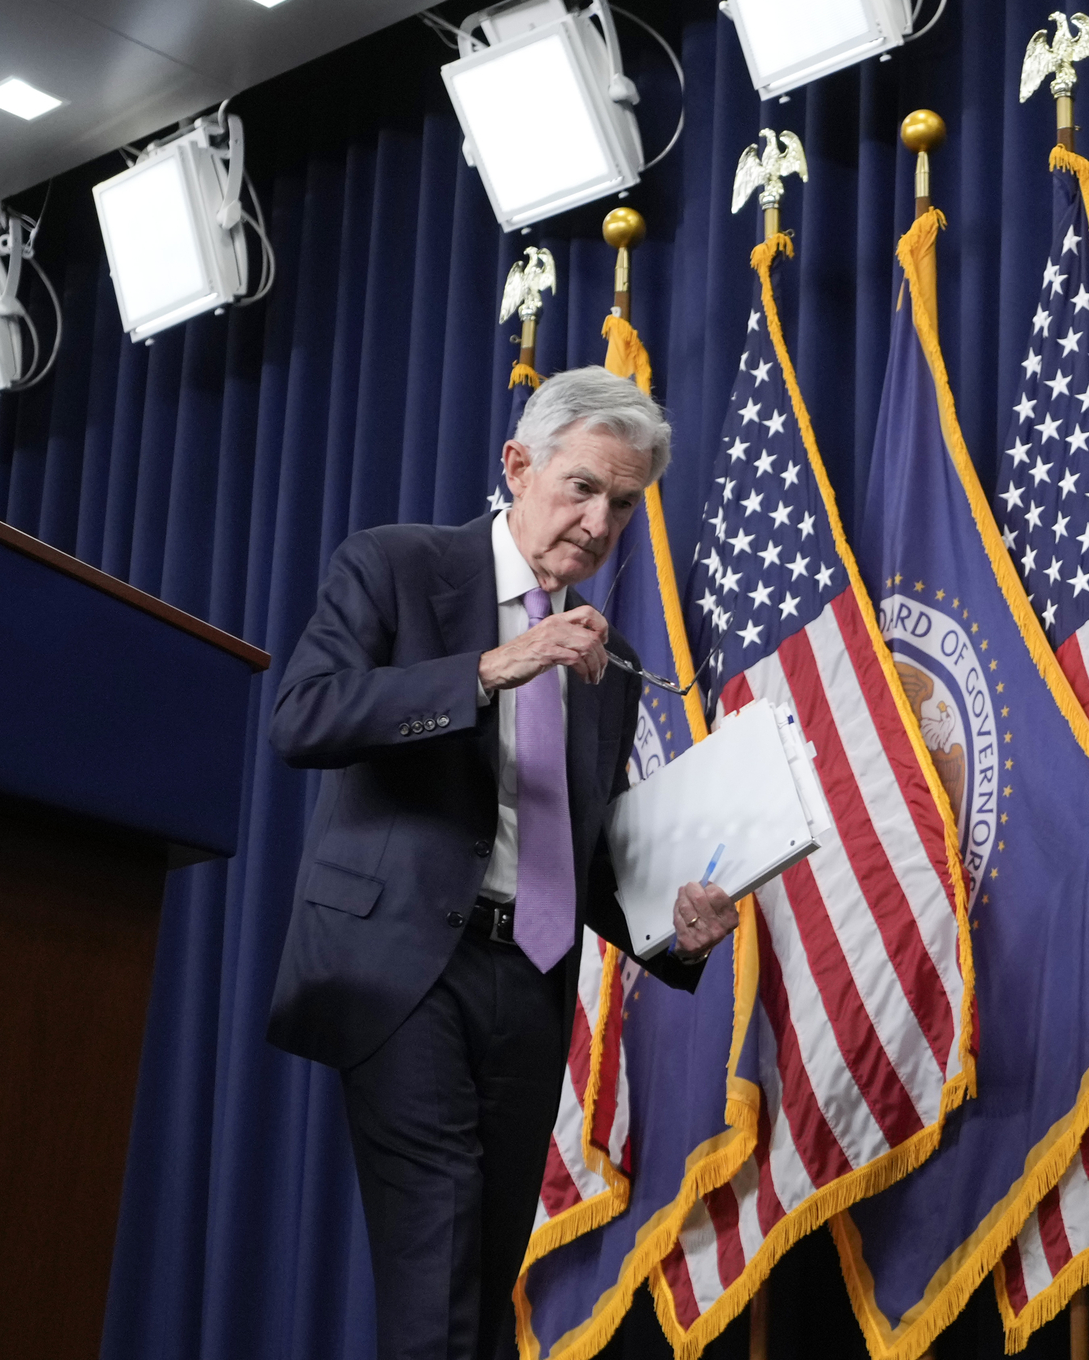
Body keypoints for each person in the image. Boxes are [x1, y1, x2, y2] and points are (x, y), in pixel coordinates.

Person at [265, 367, 739, 1360]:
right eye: (582, 487)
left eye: (621, 503)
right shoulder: (398, 567)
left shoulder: (601, 668)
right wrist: (493, 666)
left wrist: (672, 924)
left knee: (481, 1282)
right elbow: (304, 715)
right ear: (518, 465)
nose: (599, 521)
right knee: (438, 1254)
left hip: (527, 984)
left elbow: (566, 852)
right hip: (403, 968)